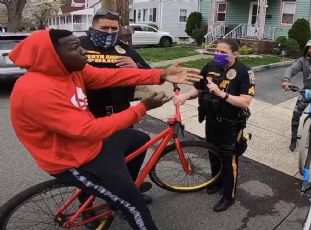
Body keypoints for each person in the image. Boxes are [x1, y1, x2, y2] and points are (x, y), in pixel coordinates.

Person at [9, 29, 201, 230]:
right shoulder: (36, 91)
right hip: (72, 159)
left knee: (139, 139)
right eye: (76, 48)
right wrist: (142, 108)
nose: (84, 52)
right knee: (134, 204)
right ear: (52, 56)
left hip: (89, 144)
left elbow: (109, 76)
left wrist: (160, 74)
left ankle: (121, 190)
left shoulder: (70, 71)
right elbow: (89, 130)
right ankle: (124, 197)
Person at [79, 9, 154, 204]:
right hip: (88, 114)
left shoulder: (124, 49)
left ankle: (127, 192)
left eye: (114, 28)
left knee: (127, 154)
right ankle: (86, 203)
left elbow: (149, 75)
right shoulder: (78, 46)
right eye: (104, 27)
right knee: (87, 162)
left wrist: (136, 67)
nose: (109, 32)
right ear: (93, 26)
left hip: (121, 113)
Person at [174, 38, 255, 212]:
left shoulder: (244, 72)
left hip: (231, 124)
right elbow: (199, 88)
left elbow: (245, 102)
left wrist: (221, 94)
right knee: (212, 154)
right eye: (217, 51)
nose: (218, 55)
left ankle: (228, 195)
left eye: (223, 53)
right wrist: (184, 97)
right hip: (211, 120)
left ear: (235, 54)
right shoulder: (210, 66)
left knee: (228, 159)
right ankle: (215, 183)